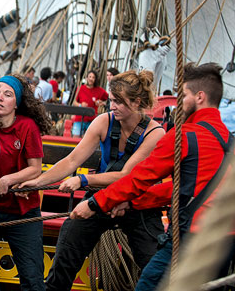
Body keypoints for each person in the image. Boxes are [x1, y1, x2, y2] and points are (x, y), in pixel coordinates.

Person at [70, 63, 234, 290]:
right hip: (226, 239)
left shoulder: (182, 136)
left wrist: (95, 203)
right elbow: (179, 189)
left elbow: (139, 178)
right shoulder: (229, 142)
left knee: (149, 285)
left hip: (191, 235)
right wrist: (131, 201)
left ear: (199, 97)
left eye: (183, 95)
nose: (179, 102)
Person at [18, 70, 166, 291]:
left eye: (118, 102)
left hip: (135, 202)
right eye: (111, 101)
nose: (111, 106)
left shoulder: (155, 134)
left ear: (137, 103)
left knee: (154, 266)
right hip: (101, 198)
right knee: (66, 254)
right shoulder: (104, 122)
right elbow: (72, 160)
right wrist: (38, 182)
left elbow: (126, 175)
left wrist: (82, 180)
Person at [0, 74, 53, 291]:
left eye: (7, 94)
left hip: (23, 212)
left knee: (32, 278)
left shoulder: (27, 126)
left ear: (17, 103)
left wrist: (9, 179)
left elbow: (35, 168)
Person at [72, 70, 108, 137]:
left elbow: (109, 100)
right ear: (86, 78)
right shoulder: (80, 88)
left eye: (93, 77)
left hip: (92, 120)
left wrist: (102, 102)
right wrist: (80, 105)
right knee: (75, 137)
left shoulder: (100, 90)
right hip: (79, 118)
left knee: (89, 139)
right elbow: (74, 102)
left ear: (95, 79)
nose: (91, 79)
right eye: (90, 77)